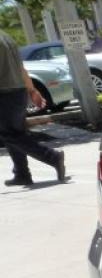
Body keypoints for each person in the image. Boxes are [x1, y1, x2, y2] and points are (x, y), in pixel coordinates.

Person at [0, 30, 65, 187]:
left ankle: (53, 157)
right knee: (15, 133)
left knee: (8, 134)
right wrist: (32, 90)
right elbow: (21, 67)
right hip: (18, 92)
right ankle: (22, 174)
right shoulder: (6, 36)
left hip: (4, 93)